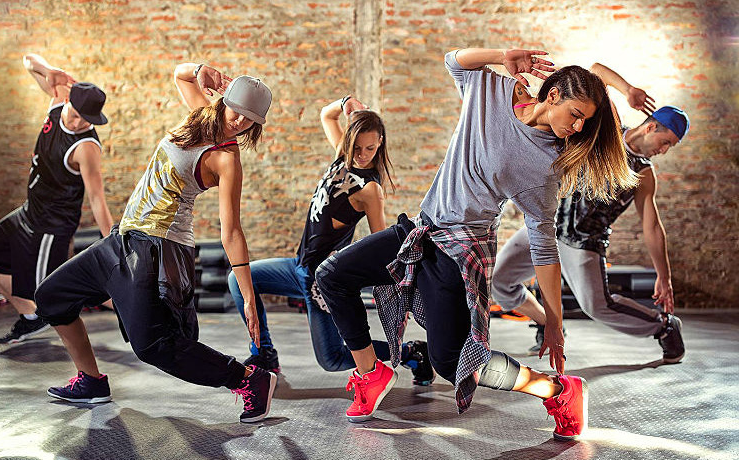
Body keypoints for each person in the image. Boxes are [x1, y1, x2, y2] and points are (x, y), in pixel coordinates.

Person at [316, 47, 637, 441]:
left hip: (459, 251)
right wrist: (503, 54)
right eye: (575, 114)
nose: (578, 126)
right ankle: (371, 373)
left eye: (584, 121)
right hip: (423, 229)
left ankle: (557, 390)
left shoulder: (546, 165)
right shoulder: (492, 90)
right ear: (553, 95)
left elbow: (544, 245)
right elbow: (453, 60)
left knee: (453, 363)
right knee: (331, 275)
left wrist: (553, 320)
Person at [34, 62, 277, 423]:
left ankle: (248, 379)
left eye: (250, 119)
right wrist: (202, 69)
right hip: (124, 237)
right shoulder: (199, 116)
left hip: (159, 248)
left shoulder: (227, 159)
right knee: (51, 297)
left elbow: (231, 232)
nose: (240, 122)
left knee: (153, 347)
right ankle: (91, 381)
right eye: (237, 110)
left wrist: (249, 297)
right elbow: (181, 75)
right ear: (225, 100)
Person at [227, 96, 434, 385]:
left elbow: (381, 244)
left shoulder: (370, 190)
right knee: (238, 280)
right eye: (356, 147)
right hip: (298, 266)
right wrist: (346, 102)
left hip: (320, 281)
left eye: (370, 148)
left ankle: (412, 352)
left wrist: (394, 294)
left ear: (380, 143)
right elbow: (327, 114)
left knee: (332, 359)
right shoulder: (341, 156)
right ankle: (264, 354)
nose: (362, 155)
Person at [491, 62, 688, 362]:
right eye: (665, 143)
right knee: (500, 283)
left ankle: (663, 326)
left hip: (585, 243)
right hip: (548, 225)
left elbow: (651, 226)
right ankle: (547, 322)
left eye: (669, 147)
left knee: (597, 306)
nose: (663, 151)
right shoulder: (609, 132)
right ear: (650, 127)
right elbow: (596, 71)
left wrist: (665, 277)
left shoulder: (644, 174)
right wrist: (628, 90)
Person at [0, 53, 114, 344]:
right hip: (29, 213)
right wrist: (48, 69)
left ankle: (141, 308)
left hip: (52, 226)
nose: (78, 123)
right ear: (66, 99)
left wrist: (112, 242)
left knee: (55, 294)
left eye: (86, 121)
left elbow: (97, 199)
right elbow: (28, 61)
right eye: (75, 114)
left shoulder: (86, 148)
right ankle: (31, 317)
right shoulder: (58, 100)